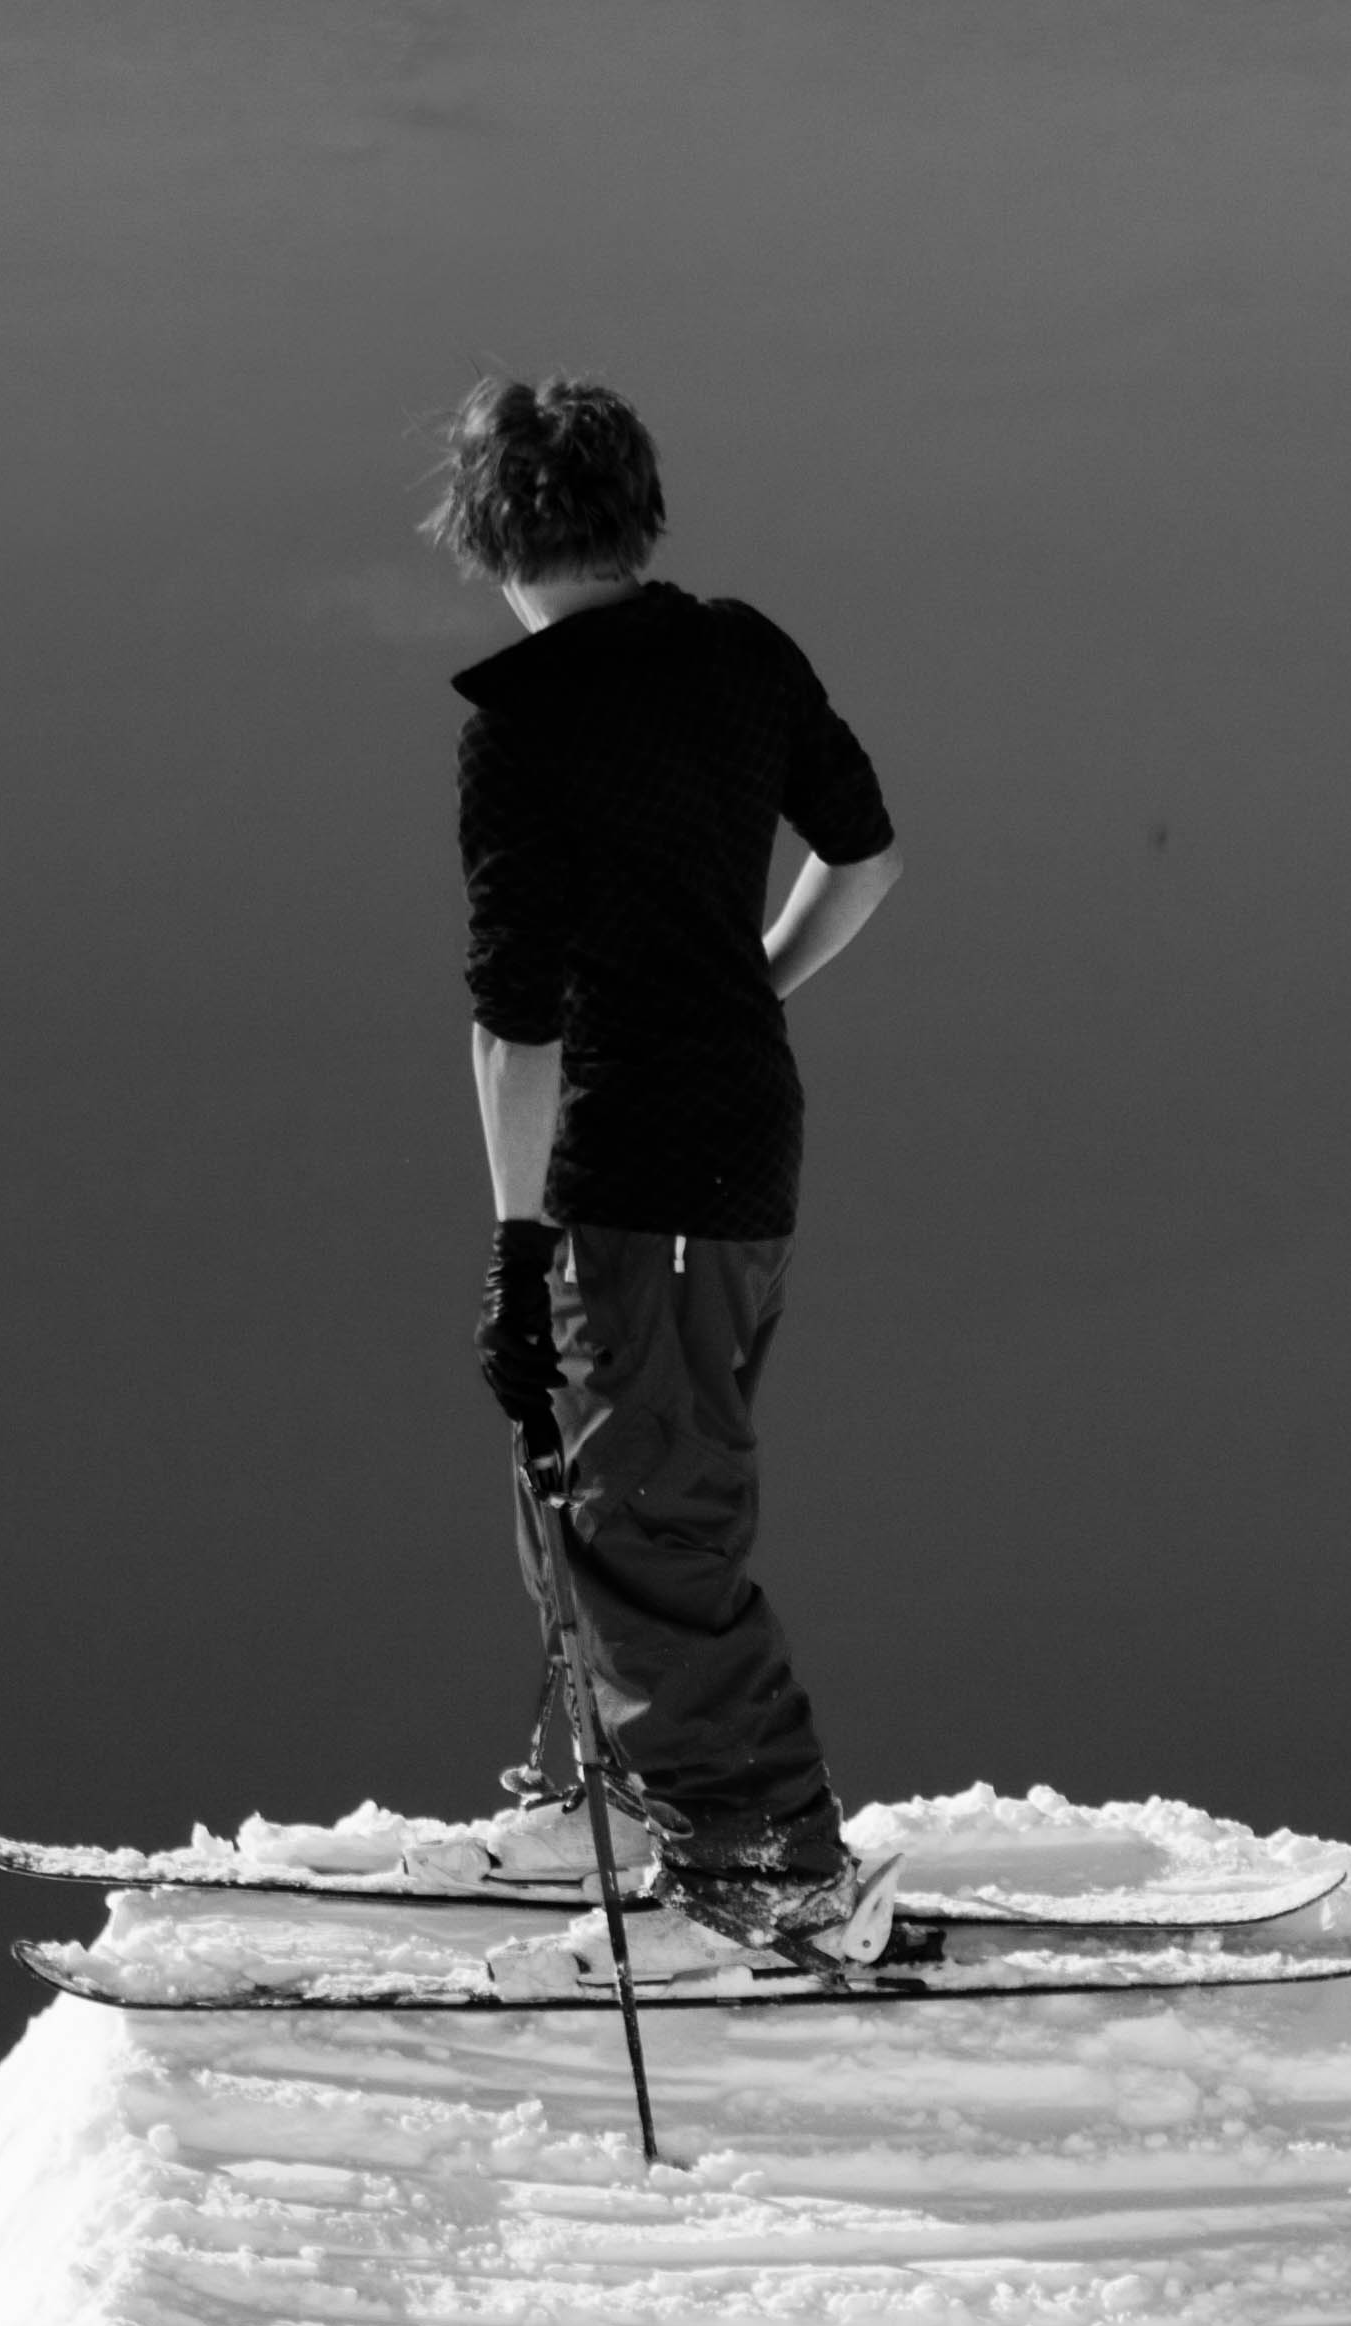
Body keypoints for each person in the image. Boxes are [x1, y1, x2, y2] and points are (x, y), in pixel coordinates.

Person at [420, 373, 907, 1971]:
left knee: (647, 1515)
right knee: (584, 1474)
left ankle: (767, 1865)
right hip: (736, 1134)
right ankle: (624, 1794)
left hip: (642, 1168)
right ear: (637, 514)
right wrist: (746, 984)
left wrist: (511, 1250)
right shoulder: (742, 653)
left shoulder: (524, 723)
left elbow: (514, 1020)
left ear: (490, 535)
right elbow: (866, 855)